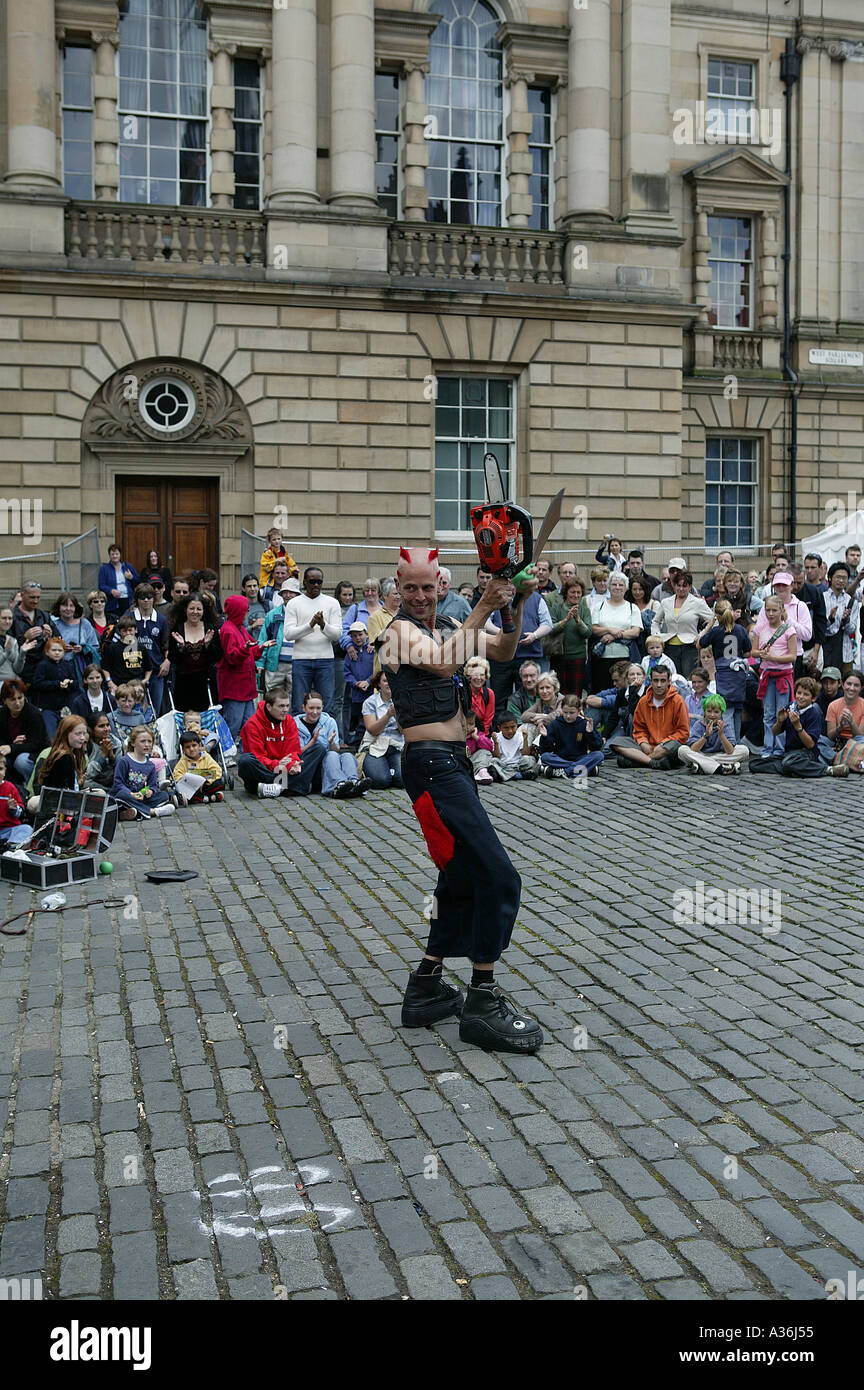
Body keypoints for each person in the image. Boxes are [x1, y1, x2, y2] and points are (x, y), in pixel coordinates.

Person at [378, 546, 544, 1053]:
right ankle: (482, 999)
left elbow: (504, 652)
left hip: (455, 764)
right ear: (397, 591)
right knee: (497, 875)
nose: (422, 597)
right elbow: (446, 661)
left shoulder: (450, 618)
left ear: (441, 586)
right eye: (412, 588)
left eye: (429, 587)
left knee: (460, 876)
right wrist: (485, 605)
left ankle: (426, 986)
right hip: (429, 766)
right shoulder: (394, 633)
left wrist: (512, 608)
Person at [236, 684, 327, 797]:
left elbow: (293, 750)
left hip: (284, 771)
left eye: (287, 706)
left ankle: (276, 788)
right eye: (281, 706)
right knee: (245, 760)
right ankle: (293, 786)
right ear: (269, 707)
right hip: (266, 771)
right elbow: (258, 756)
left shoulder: (289, 721)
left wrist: (293, 764)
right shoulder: (253, 724)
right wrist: (277, 764)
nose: (285, 710)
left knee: (319, 749)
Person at [751, 677, 846, 778]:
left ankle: (827, 770)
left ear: (813, 698)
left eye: (806, 695)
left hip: (806, 753)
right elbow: (775, 732)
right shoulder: (791, 707)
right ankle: (795, 769)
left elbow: (810, 745)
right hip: (789, 753)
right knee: (754, 764)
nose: (801, 697)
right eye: (799, 693)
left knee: (788, 763)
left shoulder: (814, 713)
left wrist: (798, 726)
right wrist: (779, 721)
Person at [488, 580, 553, 715]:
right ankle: (499, 733)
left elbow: (547, 624)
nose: (513, 586)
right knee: (499, 699)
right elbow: (485, 622)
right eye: (510, 582)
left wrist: (534, 635)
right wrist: (501, 633)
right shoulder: (497, 597)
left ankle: (526, 730)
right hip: (500, 657)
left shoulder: (537, 598)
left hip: (528, 658)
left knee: (528, 699)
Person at [285, 568, 343, 716]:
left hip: (325, 660)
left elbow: (337, 635)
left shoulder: (332, 603)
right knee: (299, 706)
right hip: (301, 660)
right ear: (304, 582)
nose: (316, 585)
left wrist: (323, 625)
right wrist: (310, 625)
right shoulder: (294, 603)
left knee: (327, 706)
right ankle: (300, 738)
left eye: (319, 582)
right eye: (312, 581)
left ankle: (324, 738)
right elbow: (288, 634)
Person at [610, 665, 689, 769]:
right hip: (647, 746)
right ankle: (654, 762)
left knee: (676, 746)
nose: (659, 685)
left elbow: (683, 732)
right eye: (656, 680)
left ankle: (642, 760)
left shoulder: (678, 701)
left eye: (663, 681)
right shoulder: (643, 701)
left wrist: (663, 744)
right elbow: (639, 729)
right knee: (616, 742)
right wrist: (643, 742)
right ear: (650, 681)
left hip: (667, 746)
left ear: (669, 681)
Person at [216, 595, 271, 741]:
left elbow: (251, 649)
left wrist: (260, 648)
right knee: (233, 723)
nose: (246, 613)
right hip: (234, 688)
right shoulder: (228, 630)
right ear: (237, 611)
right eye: (244, 610)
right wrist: (246, 649)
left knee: (249, 723)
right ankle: (226, 752)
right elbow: (232, 657)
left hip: (245, 687)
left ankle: (246, 751)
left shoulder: (239, 628)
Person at [696, 600, 751, 739]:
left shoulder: (716, 631)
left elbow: (700, 644)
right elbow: (748, 652)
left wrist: (709, 625)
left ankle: (729, 743)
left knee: (726, 710)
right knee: (738, 710)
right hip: (738, 673)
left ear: (717, 616)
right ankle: (736, 742)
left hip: (724, 673)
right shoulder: (740, 629)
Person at [296, 690, 365, 798]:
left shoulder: (329, 721)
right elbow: (296, 754)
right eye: (311, 708)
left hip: (329, 767)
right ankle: (336, 786)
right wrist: (313, 741)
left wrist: (331, 742)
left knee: (346, 755)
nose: (315, 712)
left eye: (318, 708)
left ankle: (354, 783)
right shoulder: (295, 724)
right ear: (304, 708)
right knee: (330, 754)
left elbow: (335, 750)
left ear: (322, 708)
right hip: (307, 768)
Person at [751, 594, 797, 757]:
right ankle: (768, 747)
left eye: (774, 610)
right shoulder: (760, 628)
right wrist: (761, 653)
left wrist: (772, 658)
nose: (771, 614)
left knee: (781, 713)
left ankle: (779, 747)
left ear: (781, 611)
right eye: (768, 610)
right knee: (768, 713)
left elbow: (792, 656)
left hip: (783, 676)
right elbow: (753, 651)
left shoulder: (789, 630)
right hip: (767, 676)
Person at [651, 571, 714, 677]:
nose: (681, 589)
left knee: (689, 679)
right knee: (671, 679)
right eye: (678, 585)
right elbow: (656, 622)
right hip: (669, 647)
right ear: (674, 586)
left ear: (690, 587)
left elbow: (713, 620)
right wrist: (657, 637)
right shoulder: (666, 602)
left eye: (684, 586)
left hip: (690, 647)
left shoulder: (697, 602)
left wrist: (701, 635)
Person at [112, 725, 176, 820]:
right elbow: (118, 783)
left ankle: (133, 813)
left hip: (141, 798)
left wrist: (150, 791)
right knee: (122, 795)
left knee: (164, 795)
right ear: (133, 743)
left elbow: (153, 785)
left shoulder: (150, 765)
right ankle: (152, 811)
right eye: (143, 741)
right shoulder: (125, 761)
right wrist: (131, 794)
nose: (147, 744)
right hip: (126, 797)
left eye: (149, 741)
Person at [678, 694, 749, 774]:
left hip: (720, 755)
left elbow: (730, 751)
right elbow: (694, 749)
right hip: (701, 753)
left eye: (716, 712)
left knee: (744, 750)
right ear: (704, 711)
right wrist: (706, 736)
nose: (712, 715)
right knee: (682, 750)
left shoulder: (726, 726)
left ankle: (703, 765)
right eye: (709, 711)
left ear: (721, 713)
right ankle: (720, 767)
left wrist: (721, 735)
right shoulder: (699, 725)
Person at [538, 693, 604, 778]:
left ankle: (565, 771)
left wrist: (590, 733)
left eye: (572, 713)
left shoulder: (584, 724)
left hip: (580, 758)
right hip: (560, 759)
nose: (568, 716)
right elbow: (545, 750)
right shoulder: (555, 724)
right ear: (561, 709)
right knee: (545, 757)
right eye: (565, 712)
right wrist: (544, 737)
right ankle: (580, 769)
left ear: (579, 710)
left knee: (599, 755)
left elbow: (596, 746)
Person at [258, 576, 301, 699]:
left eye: (291, 592)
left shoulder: (303, 614)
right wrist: (260, 662)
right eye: (285, 592)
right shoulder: (272, 615)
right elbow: (263, 639)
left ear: (298, 594)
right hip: (274, 665)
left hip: (296, 665)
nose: (287, 595)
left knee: (295, 699)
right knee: (273, 699)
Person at [130, 583, 170, 715]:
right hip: (135, 671)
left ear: (154, 598)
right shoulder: (129, 618)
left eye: (149, 597)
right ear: (136, 600)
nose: (146, 600)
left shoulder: (162, 620)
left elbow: (167, 645)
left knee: (154, 711)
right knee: (135, 710)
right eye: (142, 597)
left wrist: (167, 661)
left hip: (156, 672)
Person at [544, 578, 590, 695]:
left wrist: (578, 620)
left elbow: (587, 633)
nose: (576, 595)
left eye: (578, 593)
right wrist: (566, 620)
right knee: (558, 693)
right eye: (572, 592)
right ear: (566, 593)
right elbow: (550, 629)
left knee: (575, 694)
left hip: (577, 657)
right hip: (558, 657)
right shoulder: (556, 608)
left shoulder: (584, 610)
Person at [359, 671, 404, 788]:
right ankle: (387, 770)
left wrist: (397, 715)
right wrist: (388, 715)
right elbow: (372, 730)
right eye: (385, 681)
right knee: (381, 781)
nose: (388, 684)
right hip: (375, 745)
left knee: (402, 780)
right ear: (379, 684)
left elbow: (404, 731)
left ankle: (392, 770)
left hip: (397, 745)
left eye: (391, 681)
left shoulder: (402, 700)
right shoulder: (370, 702)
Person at [0, 680, 46, 788]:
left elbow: (38, 743)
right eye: (12, 699)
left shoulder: (34, 715)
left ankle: (32, 788)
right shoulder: (2, 714)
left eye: (20, 698)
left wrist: (13, 747)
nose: (17, 703)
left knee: (21, 761)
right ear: (4, 701)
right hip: (11, 752)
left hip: (33, 754)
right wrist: (12, 745)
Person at [31, 636, 79, 739]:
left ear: (64, 652)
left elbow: (76, 683)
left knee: (68, 734)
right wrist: (57, 684)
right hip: (48, 707)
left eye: (60, 650)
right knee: (51, 735)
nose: (57, 653)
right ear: (47, 652)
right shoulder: (43, 665)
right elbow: (37, 683)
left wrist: (69, 682)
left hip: (65, 706)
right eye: (54, 650)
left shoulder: (67, 665)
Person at [585, 660, 641, 747]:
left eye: (616, 680)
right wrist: (587, 699)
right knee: (594, 708)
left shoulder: (638, 692)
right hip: (614, 720)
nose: (614, 684)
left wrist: (587, 700)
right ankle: (580, 736)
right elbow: (603, 694)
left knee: (607, 749)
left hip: (625, 726)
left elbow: (604, 701)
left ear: (626, 678)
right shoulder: (620, 690)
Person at [49, 592, 101, 683]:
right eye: (65, 605)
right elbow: (46, 648)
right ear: (59, 607)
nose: (68, 609)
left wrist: (83, 649)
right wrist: (60, 649)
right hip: (58, 670)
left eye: (71, 606)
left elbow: (95, 647)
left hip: (81, 670)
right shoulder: (53, 625)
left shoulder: (84, 624)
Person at [820, 563, 859, 677]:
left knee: (845, 682)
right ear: (830, 578)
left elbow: (852, 629)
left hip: (845, 651)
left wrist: (845, 620)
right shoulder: (822, 597)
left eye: (844, 578)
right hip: (825, 650)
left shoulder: (851, 602)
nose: (841, 580)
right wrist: (830, 619)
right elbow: (819, 626)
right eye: (838, 577)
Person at [101, 614, 153, 695]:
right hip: (120, 686)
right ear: (119, 631)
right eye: (124, 631)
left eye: (130, 630)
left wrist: (145, 680)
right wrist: (110, 683)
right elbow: (105, 668)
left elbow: (149, 668)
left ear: (135, 630)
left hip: (137, 686)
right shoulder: (113, 648)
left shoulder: (141, 647)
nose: (128, 633)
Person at [11, 581, 53, 681]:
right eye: (32, 597)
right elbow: (5, 645)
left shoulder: (44, 616)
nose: (35, 601)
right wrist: (24, 638)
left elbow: (58, 639)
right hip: (21, 670)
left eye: (38, 597)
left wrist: (50, 637)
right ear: (22, 595)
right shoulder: (11, 617)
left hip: (42, 670)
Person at [342, 620, 375, 748]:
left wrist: (368, 681)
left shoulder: (372, 651)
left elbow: (376, 669)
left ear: (366, 634)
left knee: (371, 715)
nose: (357, 638)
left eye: (360, 634)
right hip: (357, 692)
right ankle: (360, 744)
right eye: (354, 636)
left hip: (371, 691)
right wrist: (356, 683)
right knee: (360, 718)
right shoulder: (350, 653)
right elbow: (346, 672)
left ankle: (370, 742)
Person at [825, 670, 864, 773]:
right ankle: (849, 760)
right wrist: (840, 727)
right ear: (842, 684)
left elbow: (860, 736)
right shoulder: (833, 705)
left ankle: (838, 760)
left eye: (856, 685)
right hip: (838, 743)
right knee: (819, 741)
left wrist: (851, 723)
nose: (851, 688)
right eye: (849, 684)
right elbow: (830, 736)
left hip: (857, 743)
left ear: (861, 688)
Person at [333, 580, 357, 742]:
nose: (347, 598)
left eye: (350, 595)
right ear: (338, 595)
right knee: (339, 699)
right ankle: (339, 737)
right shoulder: (334, 609)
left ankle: (348, 734)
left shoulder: (356, 610)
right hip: (339, 657)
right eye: (344, 594)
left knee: (349, 699)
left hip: (355, 658)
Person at [173, 728, 225, 803]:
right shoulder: (183, 761)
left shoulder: (206, 756)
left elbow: (217, 771)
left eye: (194, 745)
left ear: (199, 745)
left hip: (205, 785)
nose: (191, 749)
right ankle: (209, 798)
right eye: (187, 747)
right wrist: (193, 781)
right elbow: (177, 775)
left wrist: (203, 779)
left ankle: (203, 798)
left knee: (219, 783)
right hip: (192, 788)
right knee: (181, 792)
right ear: (183, 749)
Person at [486, 712, 538, 782]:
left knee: (529, 759)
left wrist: (525, 739)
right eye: (506, 728)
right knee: (493, 761)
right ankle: (518, 775)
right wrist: (496, 743)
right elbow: (496, 756)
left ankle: (504, 776)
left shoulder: (520, 736)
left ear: (517, 725)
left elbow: (525, 753)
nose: (510, 731)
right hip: (503, 765)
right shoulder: (496, 737)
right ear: (500, 728)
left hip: (518, 765)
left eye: (513, 727)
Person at [83, 710, 124, 791]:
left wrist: (112, 757)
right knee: (85, 783)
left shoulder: (116, 742)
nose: (106, 729)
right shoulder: (86, 744)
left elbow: (120, 772)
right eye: (101, 726)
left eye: (108, 725)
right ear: (91, 729)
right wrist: (103, 756)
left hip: (112, 781)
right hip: (95, 782)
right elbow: (87, 775)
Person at [519, 671, 562, 745]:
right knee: (526, 726)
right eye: (541, 688)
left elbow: (559, 714)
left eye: (548, 687)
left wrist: (542, 720)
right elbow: (524, 716)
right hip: (543, 732)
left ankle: (536, 751)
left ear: (554, 689)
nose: (545, 691)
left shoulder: (562, 700)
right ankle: (522, 750)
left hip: (559, 735)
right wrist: (541, 716)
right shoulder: (540, 702)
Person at [98, 545, 139, 617]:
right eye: (112, 554)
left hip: (127, 600)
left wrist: (131, 577)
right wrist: (111, 591)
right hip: (112, 601)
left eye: (117, 554)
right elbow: (101, 585)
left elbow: (138, 581)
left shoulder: (127, 566)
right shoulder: (104, 569)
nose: (115, 556)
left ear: (120, 555)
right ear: (109, 555)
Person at [0, 754, 30, 846]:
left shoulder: (10, 788)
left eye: (0, 769)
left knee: (27, 829)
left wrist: (14, 809)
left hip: (7, 831)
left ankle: (10, 847)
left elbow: (20, 813)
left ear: (5, 771)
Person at [627, 575, 659, 659]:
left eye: (640, 589)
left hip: (651, 645)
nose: (637, 592)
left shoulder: (654, 604)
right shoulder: (627, 606)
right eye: (634, 589)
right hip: (633, 646)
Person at [465, 711, 496, 784]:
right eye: (465, 724)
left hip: (473, 762)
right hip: (459, 761)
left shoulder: (477, 734)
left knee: (484, 752)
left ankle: (482, 773)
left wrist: (477, 738)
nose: (467, 727)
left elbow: (490, 747)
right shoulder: (455, 734)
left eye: (471, 724)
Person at [0, 605, 27, 683]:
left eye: (10, 618)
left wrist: (22, 653)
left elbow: (17, 669)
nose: (7, 621)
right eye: (4, 618)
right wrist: (6, 653)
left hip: (11, 683)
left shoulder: (12, 640)